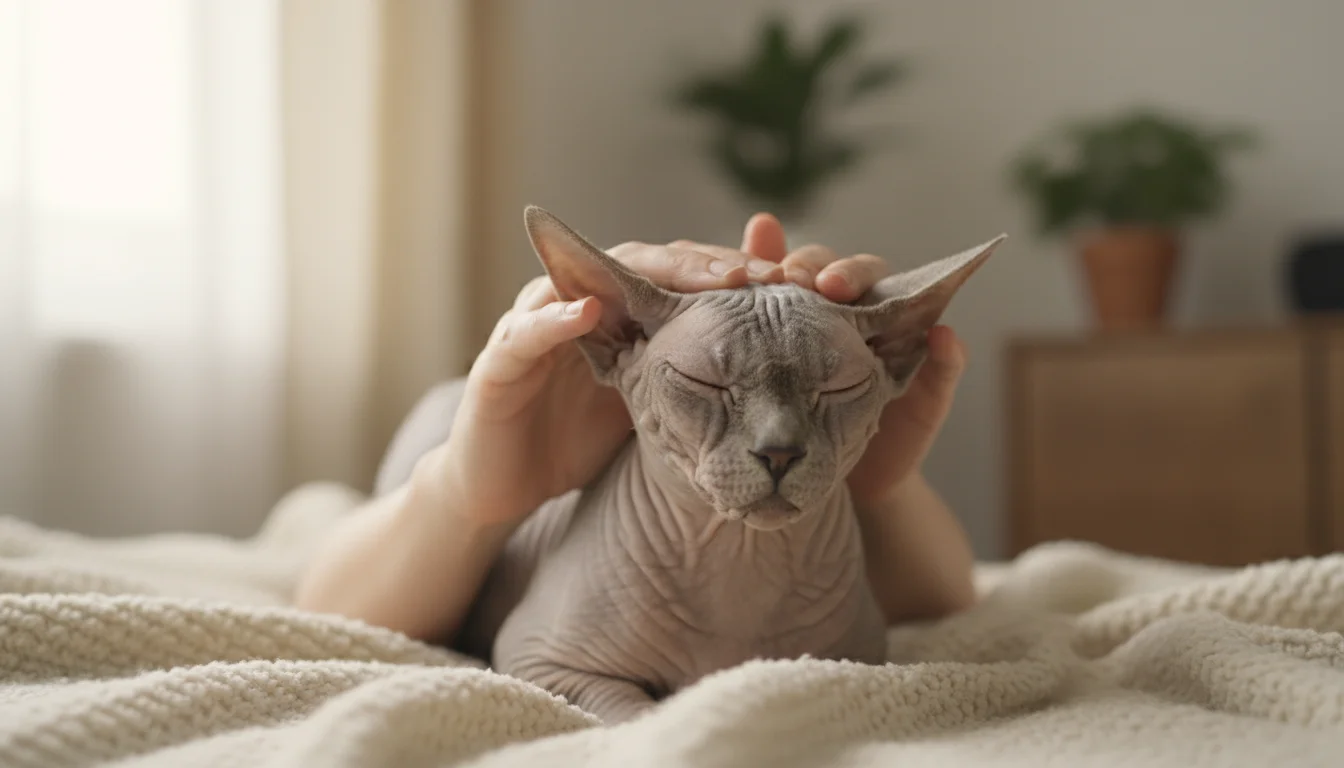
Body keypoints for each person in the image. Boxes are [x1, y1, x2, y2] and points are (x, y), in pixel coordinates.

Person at [293, 212, 976, 644]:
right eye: (707, 388)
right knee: (446, 412)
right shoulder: (548, 414)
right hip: (489, 465)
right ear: (617, 335)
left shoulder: (824, 476)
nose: (778, 439)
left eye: (840, 387)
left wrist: (883, 487)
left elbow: (943, 604)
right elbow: (319, 621)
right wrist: (457, 490)